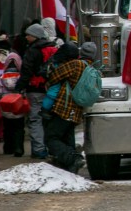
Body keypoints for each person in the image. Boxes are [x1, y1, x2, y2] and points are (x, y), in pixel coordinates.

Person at [43, 42, 97, 174]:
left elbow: (54, 76)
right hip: (77, 109)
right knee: (67, 139)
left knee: (51, 138)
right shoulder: (91, 68)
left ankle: (73, 159)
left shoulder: (75, 65)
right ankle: (69, 170)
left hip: (64, 107)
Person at [16, 23, 56, 159]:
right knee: (48, 118)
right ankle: (49, 146)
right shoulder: (52, 48)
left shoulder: (32, 51)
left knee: (35, 119)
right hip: (51, 89)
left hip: (35, 89)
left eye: (29, 35)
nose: (26, 37)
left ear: (35, 36)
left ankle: (39, 149)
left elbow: (26, 70)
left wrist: (19, 87)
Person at [0, 38, 25, 157]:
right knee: (19, 127)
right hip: (18, 104)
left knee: (7, 127)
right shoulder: (21, 77)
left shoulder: (2, 77)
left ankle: (8, 148)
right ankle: (18, 148)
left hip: (6, 104)